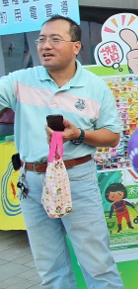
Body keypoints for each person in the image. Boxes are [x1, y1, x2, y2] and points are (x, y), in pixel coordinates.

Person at [0, 15, 123, 288]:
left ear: (76, 46)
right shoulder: (20, 81)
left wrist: (79, 134)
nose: (46, 45)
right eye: (42, 40)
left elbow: (112, 136)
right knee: (51, 270)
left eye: (55, 39)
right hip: (31, 183)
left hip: (77, 178)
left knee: (98, 265)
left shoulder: (94, 87)